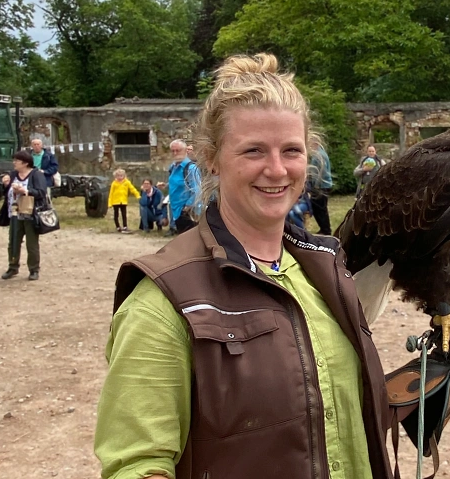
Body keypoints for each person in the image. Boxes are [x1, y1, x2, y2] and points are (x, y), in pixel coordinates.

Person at [95, 53, 393, 479]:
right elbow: (137, 465)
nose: (277, 169)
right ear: (211, 158)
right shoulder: (163, 300)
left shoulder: (327, 269)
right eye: (254, 150)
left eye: (291, 150)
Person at [0, 151, 47, 281]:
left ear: (25, 163)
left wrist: (25, 191)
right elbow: (6, 192)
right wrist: (6, 184)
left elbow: (41, 192)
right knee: (13, 242)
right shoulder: (13, 174)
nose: (14, 163)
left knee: (31, 244)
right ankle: (13, 267)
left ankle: (34, 269)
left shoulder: (36, 175)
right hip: (14, 213)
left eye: (16, 161)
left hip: (31, 214)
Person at [157, 139, 201, 236]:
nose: (175, 153)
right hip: (176, 210)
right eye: (173, 151)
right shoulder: (173, 167)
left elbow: (197, 189)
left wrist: (187, 206)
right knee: (182, 239)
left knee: (189, 240)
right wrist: (166, 185)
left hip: (187, 212)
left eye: (178, 150)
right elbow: (180, 183)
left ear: (185, 151)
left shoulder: (191, 168)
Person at [308, 146, 333, 235]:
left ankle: (326, 230)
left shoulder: (319, 155)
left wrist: (316, 185)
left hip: (321, 186)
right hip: (321, 186)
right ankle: (323, 228)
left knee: (321, 209)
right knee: (316, 207)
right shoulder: (318, 153)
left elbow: (322, 172)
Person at [108, 168, 140, 233]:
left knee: (124, 214)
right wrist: (110, 203)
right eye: (118, 176)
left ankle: (125, 226)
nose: (120, 177)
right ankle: (118, 226)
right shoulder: (114, 183)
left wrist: (137, 195)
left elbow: (132, 189)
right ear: (115, 176)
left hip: (123, 201)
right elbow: (111, 193)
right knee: (116, 215)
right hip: (115, 201)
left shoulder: (127, 182)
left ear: (124, 176)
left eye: (121, 176)